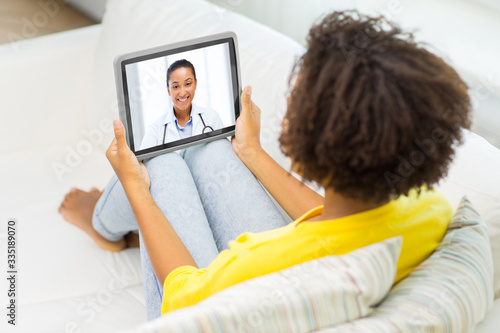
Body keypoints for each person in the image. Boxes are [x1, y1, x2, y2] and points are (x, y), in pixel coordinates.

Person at [58, 11, 472, 320]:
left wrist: (135, 189)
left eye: (297, 98)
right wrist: (253, 151)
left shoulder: (258, 262)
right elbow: (338, 217)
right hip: (310, 253)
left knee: (161, 164)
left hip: (204, 307)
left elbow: (183, 298)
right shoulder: (429, 208)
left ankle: (103, 224)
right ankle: (115, 221)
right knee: (211, 148)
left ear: (309, 146)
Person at [140, 59, 224, 149]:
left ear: (195, 84)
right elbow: (141, 161)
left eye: (188, 84)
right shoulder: (156, 130)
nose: (183, 93)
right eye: (176, 87)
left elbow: (223, 152)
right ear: (168, 90)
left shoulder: (211, 117)